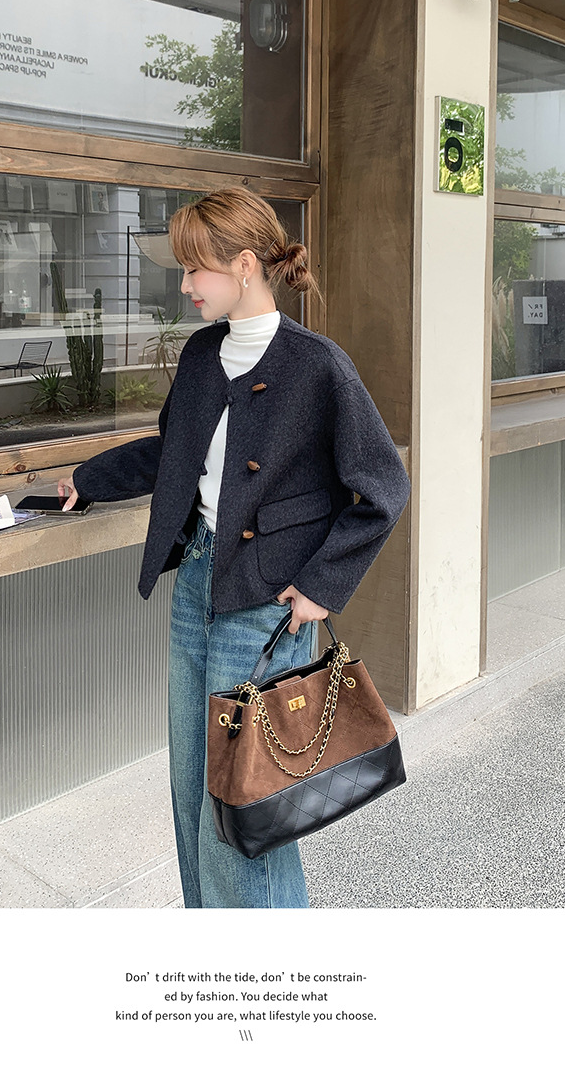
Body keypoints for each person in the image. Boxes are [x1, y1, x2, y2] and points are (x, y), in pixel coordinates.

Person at [59, 188, 410, 909]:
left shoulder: (318, 366)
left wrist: (322, 586)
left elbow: (383, 485)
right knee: (194, 787)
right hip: (197, 584)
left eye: (196, 268)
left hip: (265, 604)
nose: (186, 284)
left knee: (243, 808)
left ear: (245, 265)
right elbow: (175, 452)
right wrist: (89, 478)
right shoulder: (199, 355)